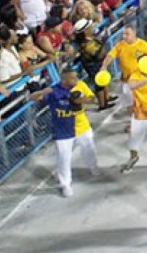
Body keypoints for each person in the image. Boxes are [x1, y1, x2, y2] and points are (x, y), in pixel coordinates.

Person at [30, 67, 99, 197]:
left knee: (89, 148)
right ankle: (65, 184)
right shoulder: (54, 91)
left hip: (82, 126)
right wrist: (43, 91)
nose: (76, 80)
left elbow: (92, 99)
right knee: (64, 157)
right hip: (62, 130)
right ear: (64, 80)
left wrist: (80, 100)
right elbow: (32, 98)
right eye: (73, 78)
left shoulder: (80, 85)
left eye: (76, 77)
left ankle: (93, 166)